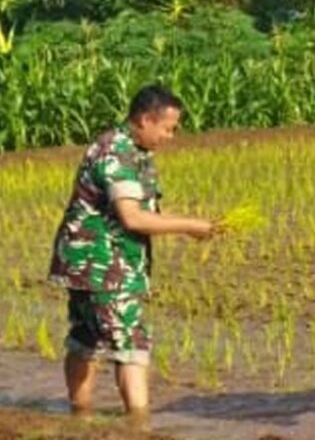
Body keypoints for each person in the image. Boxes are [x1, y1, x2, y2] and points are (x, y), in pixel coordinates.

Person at [48, 84, 217, 422]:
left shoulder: (133, 150)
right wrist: (189, 225)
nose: (170, 136)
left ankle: (79, 418)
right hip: (103, 265)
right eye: (168, 128)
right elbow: (132, 216)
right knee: (131, 344)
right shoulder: (117, 152)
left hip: (88, 264)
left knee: (87, 337)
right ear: (144, 120)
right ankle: (139, 426)